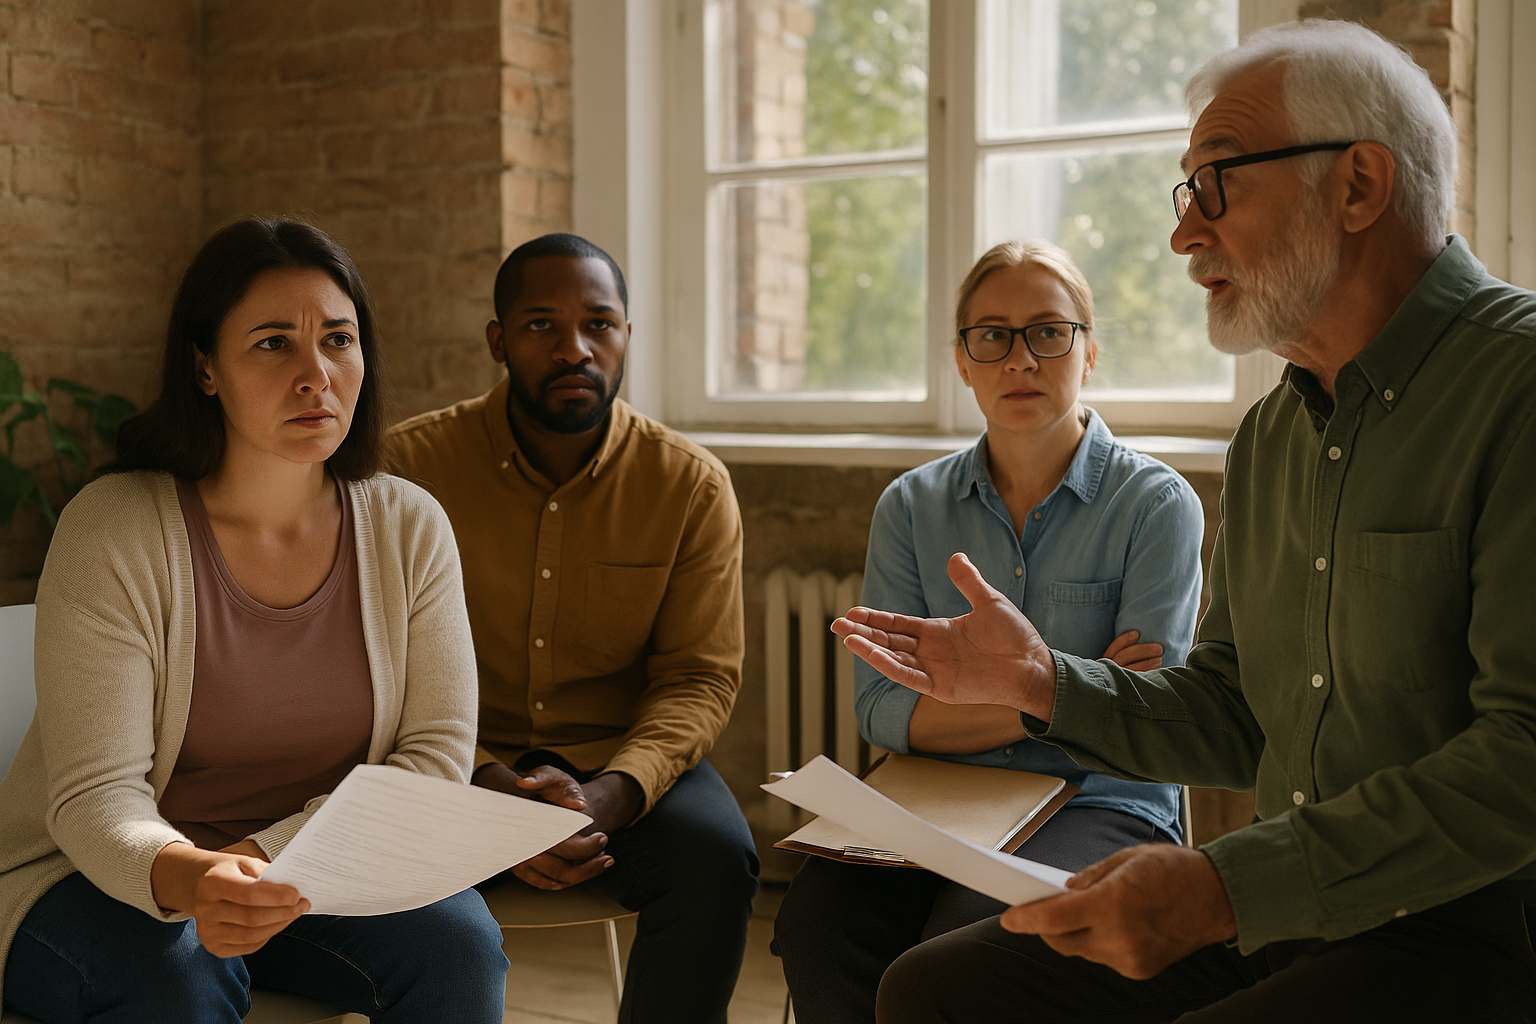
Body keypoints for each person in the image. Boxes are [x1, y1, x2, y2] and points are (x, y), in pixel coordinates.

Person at [831, 19, 1536, 1024]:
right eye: (1184, 193)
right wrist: (1041, 681)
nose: (1183, 233)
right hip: (1293, 910)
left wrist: (1223, 886)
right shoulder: (1275, 437)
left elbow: (1524, 755)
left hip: (1472, 930)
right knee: (936, 987)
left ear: (1359, 186)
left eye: (1217, 183)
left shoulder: (1517, 388)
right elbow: (1236, 712)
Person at [0, 218, 515, 1024]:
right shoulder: (116, 527)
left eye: (338, 340)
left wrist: (257, 863)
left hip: (316, 872)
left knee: (459, 949)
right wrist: (199, 878)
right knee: (177, 978)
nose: (317, 374)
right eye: (274, 344)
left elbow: (436, 759)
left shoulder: (409, 526)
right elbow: (96, 797)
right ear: (205, 368)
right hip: (100, 878)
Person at [773, 240, 1206, 1022]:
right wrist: (1064, 688)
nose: (1020, 359)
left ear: (1089, 350)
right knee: (817, 922)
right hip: (940, 798)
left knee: (966, 949)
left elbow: (1143, 715)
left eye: (1048, 331)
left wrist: (970, 702)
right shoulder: (910, 506)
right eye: (992, 335)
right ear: (962, 361)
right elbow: (883, 711)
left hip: (1098, 800)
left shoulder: (1156, 505)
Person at [386, 232, 758, 1024]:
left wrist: (609, 797)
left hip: (616, 764)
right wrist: (487, 785)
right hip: (447, 760)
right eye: (540, 326)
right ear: (497, 340)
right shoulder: (407, 471)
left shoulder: (689, 486)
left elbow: (699, 676)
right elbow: (380, 663)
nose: (574, 349)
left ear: (627, 335)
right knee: (382, 877)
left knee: (717, 861)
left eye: (600, 324)